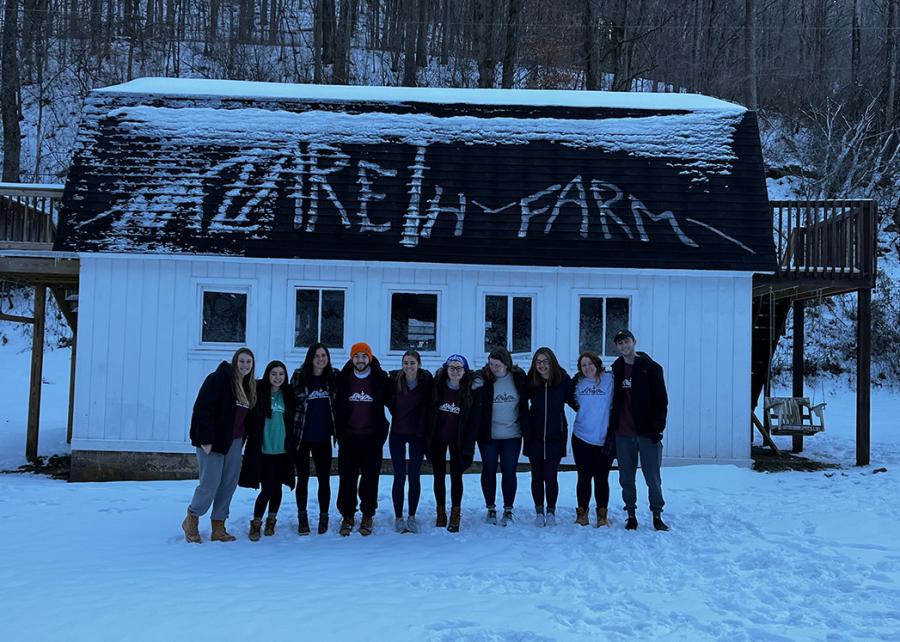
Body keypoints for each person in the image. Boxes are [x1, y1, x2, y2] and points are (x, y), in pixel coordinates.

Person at [181, 347, 257, 543]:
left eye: (249, 362)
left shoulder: (249, 386)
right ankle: (192, 518)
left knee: (228, 484)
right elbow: (202, 408)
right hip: (213, 442)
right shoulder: (219, 379)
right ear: (234, 361)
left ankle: (218, 526)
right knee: (210, 484)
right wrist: (205, 439)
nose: (245, 365)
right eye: (242, 361)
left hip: (235, 442)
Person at [610, 330, 670, 531]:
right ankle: (631, 514)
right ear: (617, 347)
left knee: (652, 477)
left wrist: (657, 428)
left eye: (626, 341)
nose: (624, 346)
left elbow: (662, 401)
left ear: (634, 342)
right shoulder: (616, 369)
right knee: (626, 477)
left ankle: (656, 515)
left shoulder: (651, 368)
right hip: (623, 433)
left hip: (647, 434)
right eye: (620, 343)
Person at [335, 342, 390, 536]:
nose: (360, 359)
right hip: (349, 437)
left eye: (364, 356)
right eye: (356, 356)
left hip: (371, 438)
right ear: (351, 358)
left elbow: (398, 397)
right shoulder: (342, 378)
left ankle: (368, 514)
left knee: (370, 479)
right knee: (347, 479)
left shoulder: (380, 379)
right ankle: (347, 515)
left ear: (370, 358)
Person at [238, 360, 296, 541]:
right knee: (267, 489)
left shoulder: (288, 395)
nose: (277, 377)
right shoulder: (259, 394)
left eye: (281, 374)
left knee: (277, 488)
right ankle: (256, 523)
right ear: (268, 375)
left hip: (282, 451)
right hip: (263, 451)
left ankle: (272, 520)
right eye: (274, 374)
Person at [425, 354, 481, 533]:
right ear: (446, 369)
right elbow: (429, 415)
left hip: (458, 441)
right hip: (438, 439)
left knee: (457, 477)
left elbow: (473, 423)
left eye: (459, 368)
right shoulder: (437, 388)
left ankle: (456, 513)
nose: (455, 371)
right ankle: (440, 511)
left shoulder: (469, 391)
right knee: (438, 476)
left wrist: (469, 446)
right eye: (452, 368)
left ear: (465, 371)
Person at [476, 347, 530, 526]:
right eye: (491, 364)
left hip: (512, 434)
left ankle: (508, 509)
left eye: (498, 365)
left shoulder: (518, 377)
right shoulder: (483, 378)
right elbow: (465, 377)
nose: (494, 368)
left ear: (507, 364)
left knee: (509, 471)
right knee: (489, 470)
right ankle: (490, 508)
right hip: (489, 435)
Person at [290, 343, 337, 535]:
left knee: (324, 479)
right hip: (302, 436)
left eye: (323, 355)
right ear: (310, 358)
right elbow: (291, 401)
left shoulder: (333, 376)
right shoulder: (299, 377)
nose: (320, 359)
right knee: (302, 478)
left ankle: (324, 517)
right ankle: (303, 518)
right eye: (316, 356)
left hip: (323, 437)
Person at [567, 351, 616, 528]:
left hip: (604, 438)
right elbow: (567, 397)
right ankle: (582, 513)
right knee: (584, 477)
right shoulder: (577, 383)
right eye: (583, 365)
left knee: (602, 478)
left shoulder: (610, 380)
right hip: (581, 437)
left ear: (597, 364)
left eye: (590, 364)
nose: (587, 368)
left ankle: (602, 514)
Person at [387, 350, 434, 533]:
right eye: (406, 363)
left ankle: (412, 516)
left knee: (414, 476)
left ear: (419, 364)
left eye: (412, 363)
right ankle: (398, 517)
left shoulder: (426, 382)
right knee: (399, 476)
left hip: (417, 435)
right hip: (398, 433)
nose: (409, 366)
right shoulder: (394, 381)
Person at [524, 347, 570, 527]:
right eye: (538, 362)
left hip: (555, 435)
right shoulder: (530, 381)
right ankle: (539, 511)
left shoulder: (563, 381)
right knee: (536, 476)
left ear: (552, 362)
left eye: (545, 361)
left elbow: (576, 400)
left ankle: (551, 510)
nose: (542, 365)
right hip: (534, 436)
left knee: (551, 476)